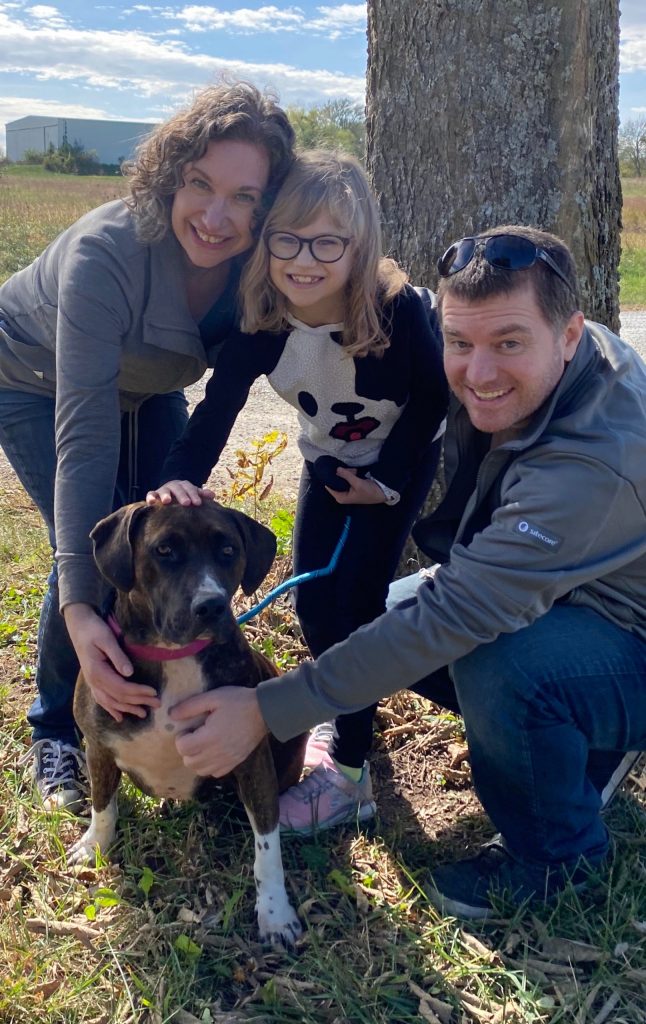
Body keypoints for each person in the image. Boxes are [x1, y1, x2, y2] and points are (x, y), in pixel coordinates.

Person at [164, 224, 646, 919]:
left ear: (568, 335)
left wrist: (268, 710)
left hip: (628, 628)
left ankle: (558, 856)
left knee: (502, 666)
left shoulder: (589, 464)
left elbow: (458, 616)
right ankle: (589, 743)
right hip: (589, 591)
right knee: (392, 616)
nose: (478, 373)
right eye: (460, 342)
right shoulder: (569, 360)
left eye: (508, 343)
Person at [0, 80, 295, 812]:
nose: (216, 215)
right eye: (200, 184)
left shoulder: (259, 274)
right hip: (36, 380)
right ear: (171, 174)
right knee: (100, 554)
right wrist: (79, 606)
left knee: (161, 531)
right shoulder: (108, 253)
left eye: (245, 196)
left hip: (150, 388)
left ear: (270, 205)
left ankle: (160, 697)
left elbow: (227, 399)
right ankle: (58, 733)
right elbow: (85, 434)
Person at [147, 150, 448, 833]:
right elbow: (218, 407)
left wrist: (388, 479)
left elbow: (433, 396)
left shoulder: (396, 312)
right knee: (315, 606)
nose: (303, 260)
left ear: (360, 246)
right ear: (266, 241)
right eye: (286, 238)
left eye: (327, 242)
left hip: (395, 466)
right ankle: (347, 709)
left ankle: (349, 771)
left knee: (360, 605)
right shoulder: (263, 321)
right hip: (328, 461)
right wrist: (180, 474)